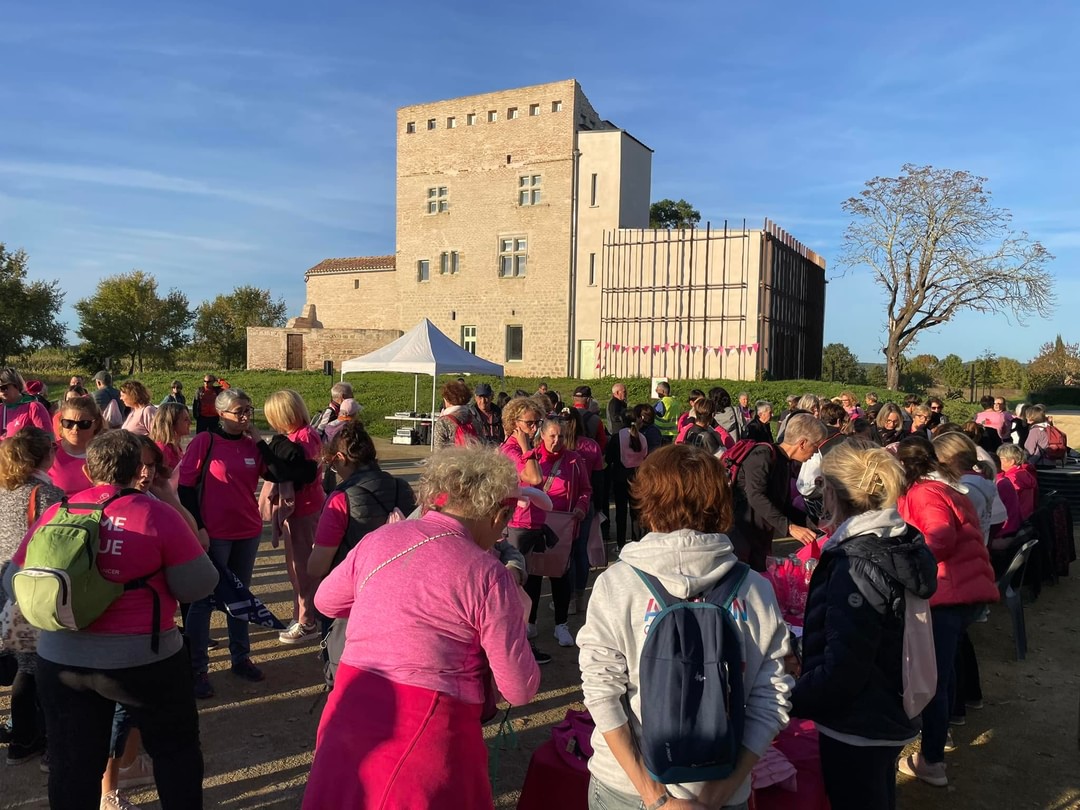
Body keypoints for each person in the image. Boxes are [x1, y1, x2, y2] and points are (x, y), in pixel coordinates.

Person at [304, 446, 541, 809]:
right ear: (496, 513)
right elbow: (519, 688)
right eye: (505, 520)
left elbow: (326, 601)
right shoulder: (488, 574)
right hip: (425, 731)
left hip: (350, 711)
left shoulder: (380, 539)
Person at [3, 430, 218, 810]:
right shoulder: (156, 514)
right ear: (139, 470)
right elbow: (198, 585)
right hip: (143, 659)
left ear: (87, 470)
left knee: (72, 764)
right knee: (175, 752)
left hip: (61, 660)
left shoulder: (58, 511)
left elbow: (11, 579)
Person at [578, 443, 792, 810]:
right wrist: (717, 796)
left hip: (628, 787)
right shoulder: (755, 588)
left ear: (648, 500)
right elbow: (771, 698)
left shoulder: (618, 583)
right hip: (722, 786)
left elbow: (601, 692)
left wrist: (656, 799)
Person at [792, 441, 938, 810]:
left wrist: (789, 700)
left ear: (832, 493)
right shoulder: (898, 541)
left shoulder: (854, 561)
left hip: (858, 722)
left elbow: (844, 668)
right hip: (888, 706)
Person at [894, 436, 998, 788]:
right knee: (946, 668)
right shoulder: (947, 489)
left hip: (948, 591)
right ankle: (945, 732)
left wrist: (903, 561)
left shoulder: (924, 494)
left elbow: (939, 538)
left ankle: (933, 760)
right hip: (965, 589)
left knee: (932, 677)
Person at [177, 388, 269, 698]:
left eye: (248, 409)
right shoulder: (206, 441)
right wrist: (199, 527)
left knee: (239, 596)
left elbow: (278, 471)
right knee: (204, 600)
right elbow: (186, 488)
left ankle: (240, 657)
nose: (245, 415)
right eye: (239, 410)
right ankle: (197, 668)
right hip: (214, 533)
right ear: (221, 414)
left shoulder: (252, 444)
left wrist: (259, 440)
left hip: (247, 529)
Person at [0, 428, 65, 766]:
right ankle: (49, 746)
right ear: (42, 456)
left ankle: (22, 740)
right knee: (46, 668)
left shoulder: (4, 491)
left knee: (24, 665)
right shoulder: (48, 494)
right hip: (36, 587)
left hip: (7, 587)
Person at [307, 422, 417, 583]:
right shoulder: (403, 488)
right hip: (397, 584)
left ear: (341, 458)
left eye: (333, 465)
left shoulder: (341, 499)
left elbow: (317, 568)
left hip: (355, 589)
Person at [520, 417, 591, 648]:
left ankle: (561, 624)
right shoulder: (532, 457)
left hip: (564, 525)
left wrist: (581, 507)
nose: (557, 440)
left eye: (561, 436)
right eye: (552, 436)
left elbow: (585, 490)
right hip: (535, 523)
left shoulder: (574, 460)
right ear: (542, 435)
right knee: (533, 574)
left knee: (560, 575)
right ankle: (531, 621)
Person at [262, 390, 326, 646]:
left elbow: (301, 474)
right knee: (296, 565)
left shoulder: (304, 438)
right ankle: (301, 614)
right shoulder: (303, 435)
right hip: (302, 508)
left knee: (302, 567)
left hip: (304, 508)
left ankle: (308, 620)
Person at [498, 396, 554, 664]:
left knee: (531, 585)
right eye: (529, 424)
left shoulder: (524, 447)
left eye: (537, 423)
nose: (534, 428)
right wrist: (525, 446)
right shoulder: (511, 450)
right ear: (514, 424)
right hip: (516, 524)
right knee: (518, 589)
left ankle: (526, 641)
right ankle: (517, 648)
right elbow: (534, 478)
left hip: (533, 521)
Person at [731, 413, 825, 570]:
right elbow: (756, 496)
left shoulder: (785, 463)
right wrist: (789, 527)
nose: (815, 453)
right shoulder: (762, 455)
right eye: (815, 447)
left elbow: (783, 506)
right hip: (741, 536)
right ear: (802, 443)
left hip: (760, 539)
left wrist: (819, 524)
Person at [561, 407, 603, 615]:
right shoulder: (592, 446)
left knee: (566, 552)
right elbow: (598, 479)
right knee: (581, 551)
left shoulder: (558, 446)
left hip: (562, 505)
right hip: (586, 502)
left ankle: (566, 599)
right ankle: (579, 598)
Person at [606, 404, 652, 548]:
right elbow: (645, 456)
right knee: (636, 512)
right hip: (638, 477)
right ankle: (636, 542)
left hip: (620, 477)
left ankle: (620, 544)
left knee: (620, 512)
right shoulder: (642, 437)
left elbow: (610, 458)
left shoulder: (616, 437)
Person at [50, 396, 105, 496]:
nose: (75, 429)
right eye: (68, 423)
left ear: (96, 423)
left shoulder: (108, 454)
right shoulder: (49, 453)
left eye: (84, 424)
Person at [0, 368, 52, 441]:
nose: (1, 392)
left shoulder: (33, 407)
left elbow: (48, 439)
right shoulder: (1, 409)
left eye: (3, 387)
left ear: (16, 385)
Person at [150, 403, 192, 488]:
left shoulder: (175, 445)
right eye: (185, 419)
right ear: (171, 424)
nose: (190, 422)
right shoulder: (162, 449)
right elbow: (158, 485)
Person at [433, 380, 484, 449]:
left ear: (446, 399)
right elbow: (482, 443)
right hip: (473, 458)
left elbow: (438, 452)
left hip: (452, 459)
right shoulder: (473, 417)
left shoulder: (443, 422)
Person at [996, 443, 1038, 524]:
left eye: (1001, 458)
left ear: (1011, 461)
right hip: (1027, 517)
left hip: (1014, 521)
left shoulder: (1011, 478)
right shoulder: (1025, 473)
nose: (998, 461)